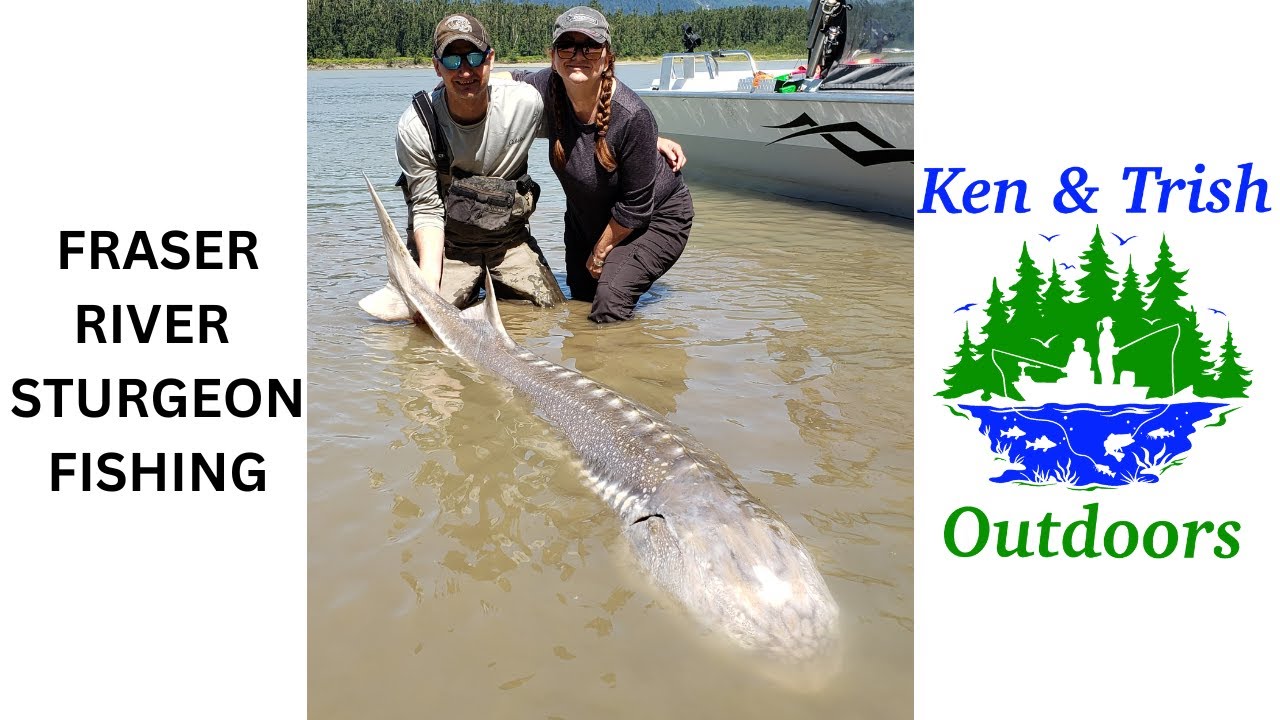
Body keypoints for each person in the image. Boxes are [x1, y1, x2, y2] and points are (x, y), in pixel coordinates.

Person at [361, 12, 563, 321]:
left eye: (473, 58)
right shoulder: (416, 125)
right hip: (450, 247)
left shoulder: (526, 103)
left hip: (509, 242)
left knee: (551, 317)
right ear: (436, 66)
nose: (465, 71)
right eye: (453, 61)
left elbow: (583, 124)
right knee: (428, 325)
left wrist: (645, 137)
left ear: (490, 60)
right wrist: (427, 289)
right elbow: (427, 210)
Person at [515, 7, 695, 323]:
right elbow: (501, 81)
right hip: (589, 216)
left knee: (608, 305)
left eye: (591, 46)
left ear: (607, 56)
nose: (578, 55)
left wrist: (600, 253)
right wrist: (450, 88)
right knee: (581, 301)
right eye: (566, 45)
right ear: (553, 57)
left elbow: (636, 209)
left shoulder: (633, 116)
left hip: (654, 217)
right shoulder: (546, 86)